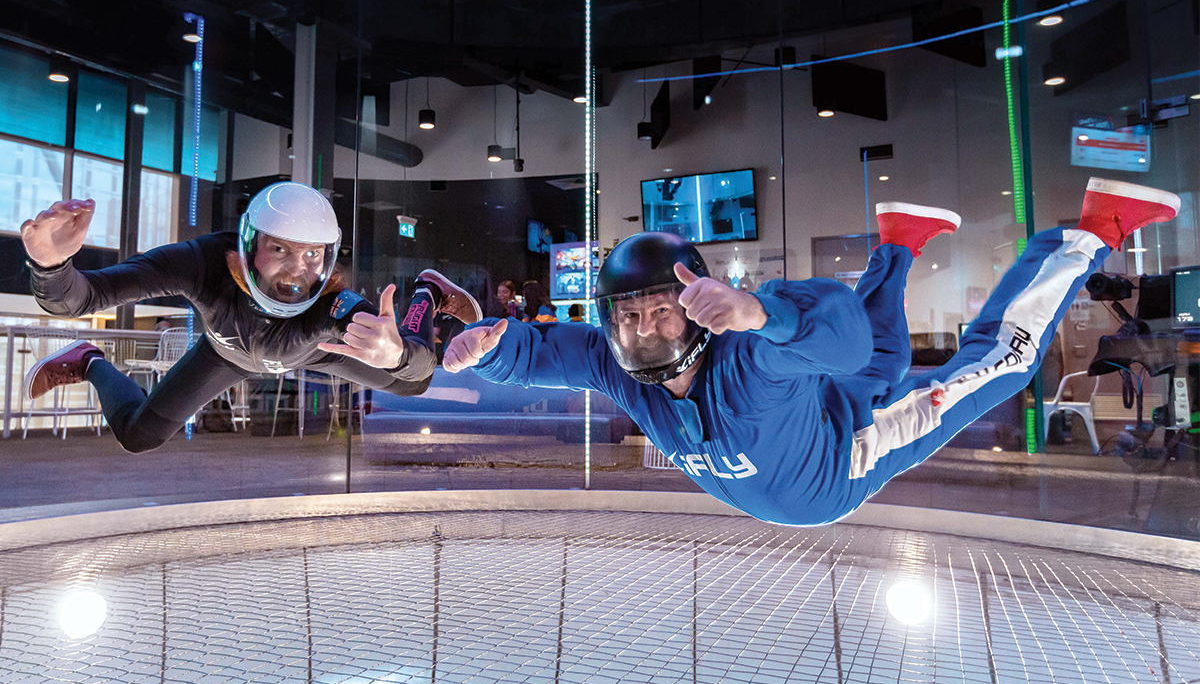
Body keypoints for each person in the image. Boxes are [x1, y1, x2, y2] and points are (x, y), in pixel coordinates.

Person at [444, 178, 1180, 527]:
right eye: (629, 315)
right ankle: (897, 241)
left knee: (1000, 366)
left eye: (663, 311)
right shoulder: (616, 365)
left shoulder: (748, 355)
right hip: (813, 427)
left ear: (695, 306)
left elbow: (839, 330)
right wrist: (486, 349)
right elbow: (543, 351)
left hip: (844, 458)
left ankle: (1092, 229)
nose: (645, 331)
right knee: (884, 363)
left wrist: (761, 314)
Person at [21, 181, 482, 453]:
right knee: (139, 435)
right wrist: (51, 266)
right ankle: (89, 361)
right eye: (279, 249)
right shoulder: (202, 262)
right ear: (251, 243)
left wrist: (397, 353)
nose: (296, 271)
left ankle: (427, 291)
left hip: (313, 350)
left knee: (414, 381)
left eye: (312, 255)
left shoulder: (333, 304)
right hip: (228, 353)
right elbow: (82, 299)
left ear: (328, 257)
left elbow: (418, 366)